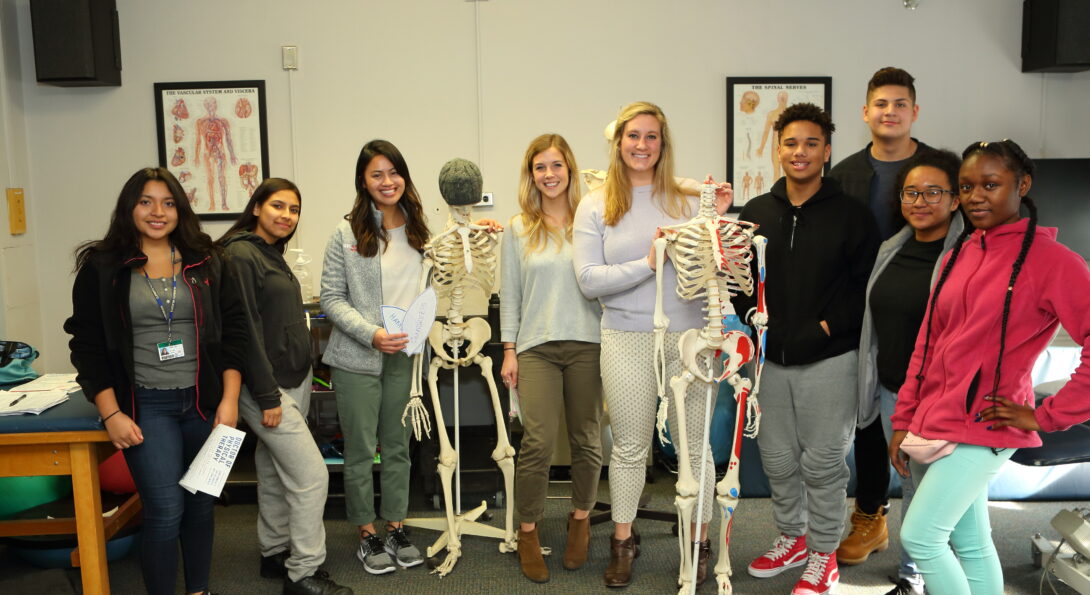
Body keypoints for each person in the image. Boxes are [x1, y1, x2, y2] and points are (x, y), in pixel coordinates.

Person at [889, 139, 1090, 594]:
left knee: (920, 537)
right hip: (934, 421)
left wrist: (1046, 414)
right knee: (972, 543)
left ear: (1023, 185)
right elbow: (929, 342)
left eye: (991, 184)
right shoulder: (963, 251)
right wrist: (904, 419)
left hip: (986, 424)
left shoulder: (1055, 262)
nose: (976, 195)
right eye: (967, 186)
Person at [64, 167, 248, 595]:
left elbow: (235, 332)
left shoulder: (207, 260)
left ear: (180, 209)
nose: (157, 212)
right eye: (145, 201)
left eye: (167, 202)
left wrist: (231, 400)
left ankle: (198, 591)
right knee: (166, 509)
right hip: (147, 406)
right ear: (129, 208)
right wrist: (110, 412)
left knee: (201, 506)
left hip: (204, 403)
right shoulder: (104, 267)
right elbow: (86, 344)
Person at [572, 101, 731, 589]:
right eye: (633, 136)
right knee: (629, 447)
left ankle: (701, 543)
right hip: (624, 337)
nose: (642, 145)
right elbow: (588, 280)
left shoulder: (684, 202)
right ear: (618, 142)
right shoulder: (597, 204)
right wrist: (648, 261)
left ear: (663, 144)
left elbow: (713, 271)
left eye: (652, 137)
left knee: (696, 449)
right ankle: (624, 542)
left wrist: (715, 211)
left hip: (688, 339)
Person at [731, 103, 879, 595]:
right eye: (791, 143)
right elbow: (741, 283)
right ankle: (792, 538)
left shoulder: (852, 215)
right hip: (768, 359)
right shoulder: (756, 213)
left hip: (830, 359)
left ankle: (823, 554)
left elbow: (866, 288)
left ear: (827, 150)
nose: (800, 152)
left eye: (811, 143)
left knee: (822, 462)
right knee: (775, 458)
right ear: (777, 149)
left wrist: (823, 326)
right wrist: (750, 322)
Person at [218, 179, 352, 595]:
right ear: (256, 206)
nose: (286, 216)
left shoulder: (269, 253)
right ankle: (303, 573)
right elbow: (245, 334)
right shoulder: (241, 254)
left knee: (274, 472)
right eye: (278, 205)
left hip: (291, 380)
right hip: (268, 388)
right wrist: (265, 396)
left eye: (294, 210)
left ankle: (274, 553)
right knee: (313, 476)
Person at [828, 67, 934, 571]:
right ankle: (870, 515)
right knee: (868, 421)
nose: (889, 112)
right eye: (880, 104)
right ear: (865, 113)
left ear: (914, 112)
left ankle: (932, 529)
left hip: (926, 320)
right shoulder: (844, 173)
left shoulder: (939, 171)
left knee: (926, 431)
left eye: (899, 104)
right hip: (860, 320)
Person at [320, 140, 429, 576]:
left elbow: (435, 286)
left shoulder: (421, 231)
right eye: (376, 175)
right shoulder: (345, 235)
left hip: (406, 357)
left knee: (399, 447)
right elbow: (331, 297)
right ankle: (368, 533)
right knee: (363, 450)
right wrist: (372, 334)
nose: (388, 182)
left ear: (404, 175)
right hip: (357, 358)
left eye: (394, 172)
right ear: (363, 182)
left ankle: (397, 526)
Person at [858, 149, 964, 595]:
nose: (920, 201)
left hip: (946, 395)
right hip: (893, 389)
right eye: (911, 193)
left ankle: (922, 575)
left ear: (956, 199)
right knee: (910, 483)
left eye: (933, 192)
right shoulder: (891, 248)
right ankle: (915, 574)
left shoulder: (967, 255)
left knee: (938, 494)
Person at [499, 134, 603, 583]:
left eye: (556, 165)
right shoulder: (517, 227)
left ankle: (580, 519)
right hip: (536, 346)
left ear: (570, 169)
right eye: (540, 167)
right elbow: (510, 296)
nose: (549, 174)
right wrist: (508, 350)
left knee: (586, 438)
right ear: (531, 175)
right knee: (537, 443)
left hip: (588, 342)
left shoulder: (594, 220)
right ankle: (527, 530)